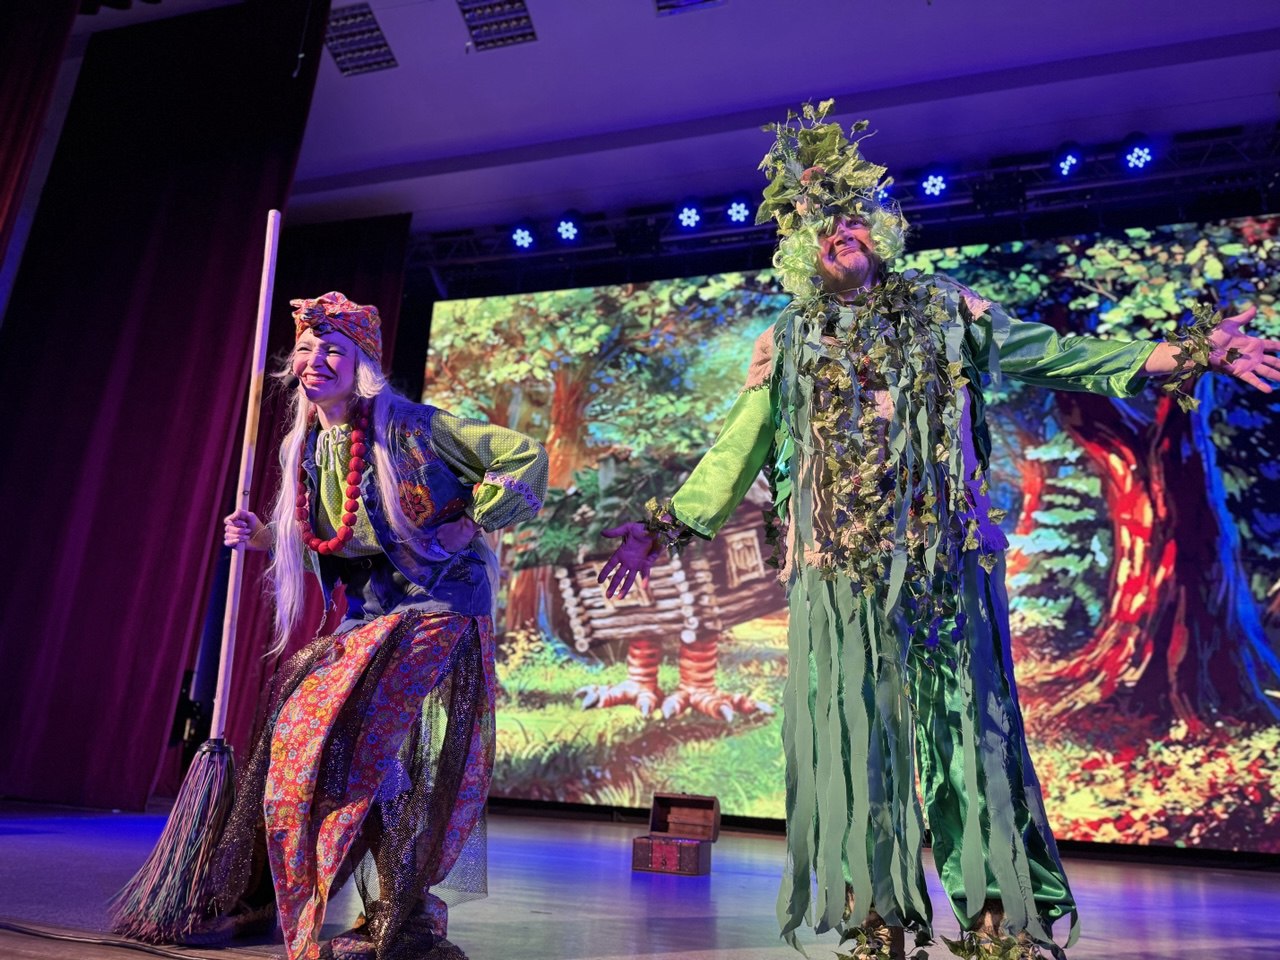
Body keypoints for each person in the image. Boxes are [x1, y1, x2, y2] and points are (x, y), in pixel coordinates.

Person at [598, 102, 1280, 960]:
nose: (839, 227)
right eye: (818, 219)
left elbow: (1056, 354)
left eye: (852, 210)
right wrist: (666, 526)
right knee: (860, 744)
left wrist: (1182, 354)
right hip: (841, 578)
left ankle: (997, 915)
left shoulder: (946, 307)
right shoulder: (789, 340)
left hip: (945, 561)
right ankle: (874, 917)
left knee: (972, 734)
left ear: (880, 225)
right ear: (798, 247)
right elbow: (740, 446)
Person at [213, 291, 548, 960]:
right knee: (300, 736)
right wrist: (264, 537)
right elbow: (340, 536)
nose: (316, 360)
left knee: (368, 745)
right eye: (306, 348)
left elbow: (524, 456)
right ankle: (274, 896)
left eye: (333, 349)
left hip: (439, 607)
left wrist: (471, 522)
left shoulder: (415, 428)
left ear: (362, 365)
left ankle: (405, 918)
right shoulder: (309, 448)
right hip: (372, 615)